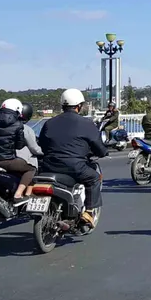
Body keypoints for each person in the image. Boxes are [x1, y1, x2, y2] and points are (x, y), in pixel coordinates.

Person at [38, 88, 108, 226]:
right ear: (79, 106)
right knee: (94, 178)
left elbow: (42, 144)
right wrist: (103, 152)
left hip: (48, 165)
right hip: (74, 166)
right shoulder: (86, 123)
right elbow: (97, 145)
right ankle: (88, 212)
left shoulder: (49, 122)